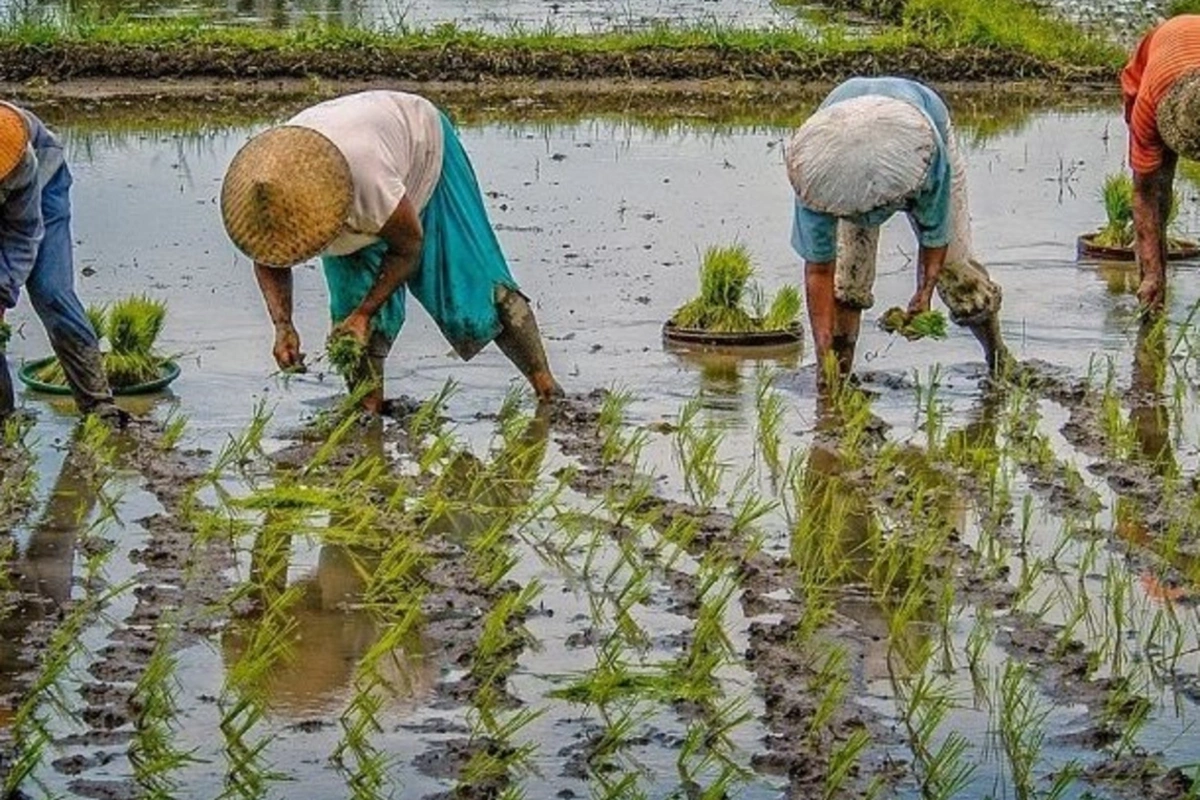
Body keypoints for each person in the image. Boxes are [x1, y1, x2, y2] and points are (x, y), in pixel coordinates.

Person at [220, 90, 562, 414]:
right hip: (356, 164)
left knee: (471, 285)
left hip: (422, 151)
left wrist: (366, 312)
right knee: (349, 322)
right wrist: (283, 325)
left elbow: (409, 246)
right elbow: (268, 255)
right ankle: (367, 411)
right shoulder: (265, 191)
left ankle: (546, 388)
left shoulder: (367, 179)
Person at [784, 77, 1008, 384]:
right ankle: (836, 376)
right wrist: (822, 351)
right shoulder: (816, 177)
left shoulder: (928, 157)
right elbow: (819, 271)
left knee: (958, 273)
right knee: (847, 281)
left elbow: (936, 235)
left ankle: (997, 356)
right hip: (846, 146)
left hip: (907, 136)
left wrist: (924, 293)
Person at [0, 101, 123, 423]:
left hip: (42, 186)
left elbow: (22, 233)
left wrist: (2, 293)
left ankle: (98, 404)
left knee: (51, 291)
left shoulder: (18, 159)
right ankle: (4, 419)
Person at [1121, 14, 1200, 314]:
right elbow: (1143, 193)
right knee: (1159, 184)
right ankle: (1152, 281)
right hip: (1161, 54)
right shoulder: (1150, 104)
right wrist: (1153, 274)